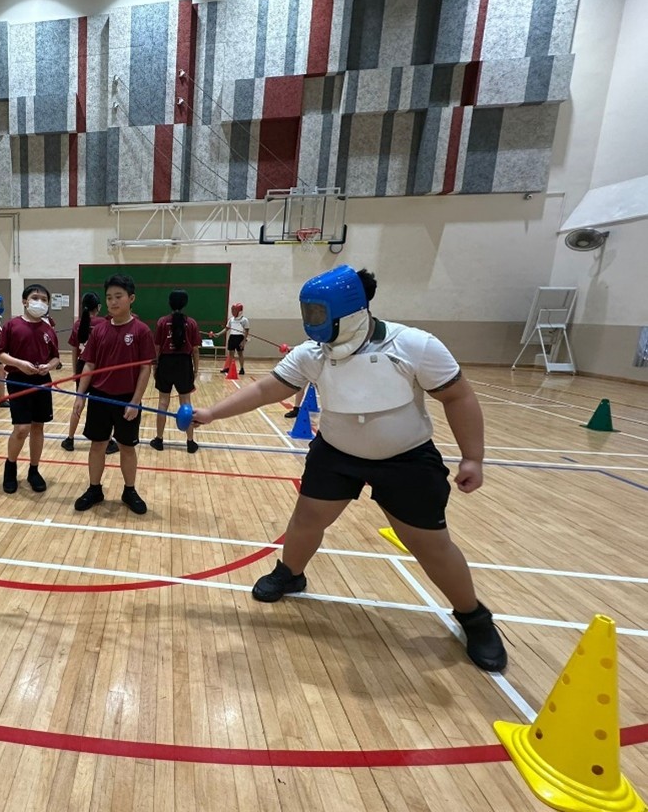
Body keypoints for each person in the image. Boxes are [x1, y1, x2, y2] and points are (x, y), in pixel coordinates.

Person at [192, 266, 507, 672]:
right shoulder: (313, 354)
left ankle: (474, 618)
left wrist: (472, 457)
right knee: (306, 519)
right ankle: (290, 573)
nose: (311, 322)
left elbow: (458, 396)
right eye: (308, 312)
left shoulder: (412, 345)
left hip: (406, 459)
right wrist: (212, 413)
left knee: (429, 543)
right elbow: (266, 389)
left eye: (318, 313)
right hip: (336, 454)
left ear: (349, 310)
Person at [74, 274, 156, 515]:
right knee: (97, 445)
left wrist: (135, 401)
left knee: (126, 447)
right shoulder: (99, 331)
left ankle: (129, 490)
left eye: (118, 296)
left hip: (126, 400)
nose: (113, 302)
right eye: (109, 297)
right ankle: (94, 489)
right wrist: (80, 395)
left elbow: (145, 368)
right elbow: (89, 365)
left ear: (131, 299)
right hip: (99, 397)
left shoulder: (141, 331)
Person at [0, 284, 61, 494]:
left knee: (38, 427)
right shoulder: (12, 325)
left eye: (43, 299)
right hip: (18, 380)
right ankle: (10, 468)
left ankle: (34, 470)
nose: (39, 302)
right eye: (35, 297)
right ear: (24, 301)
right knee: (22, 429)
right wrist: (20, 364)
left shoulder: (48, 328)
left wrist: (48, 366)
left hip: (42, 382)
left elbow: (56, 357)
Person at [62, 292, 117, 456]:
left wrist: (74, 372)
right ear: (98, 307)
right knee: (101, 405)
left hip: (81, 366)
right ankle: (106, 440)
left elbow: (73, 349)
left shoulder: (78, 324)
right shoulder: (105, 323)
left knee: (79, 402)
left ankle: (70, 439)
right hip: (98, 368)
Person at [150, 289, 200, 453]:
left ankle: (159, 440)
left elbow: (157, 347)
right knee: (186, 403)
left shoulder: (162, 322)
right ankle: (190, 442)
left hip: (166, 363)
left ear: (170, 303)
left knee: (163, 403)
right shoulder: (191, 323)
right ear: (185, 304)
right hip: (184, 364)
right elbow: (195, 350)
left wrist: (155, 366)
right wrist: (196, 369)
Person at [220, 302, 250, 375]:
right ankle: (229, 367)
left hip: (240, 337)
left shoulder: (244, 320)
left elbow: (246, 331)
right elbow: (227, 329)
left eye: (235, 310)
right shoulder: (231, 319)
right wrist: (218, 334)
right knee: (231, 354)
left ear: (239, 311)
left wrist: (243, 342)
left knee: (240, 354)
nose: (233, 312)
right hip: (232, 337)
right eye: (232, 310)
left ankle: (242, 368)